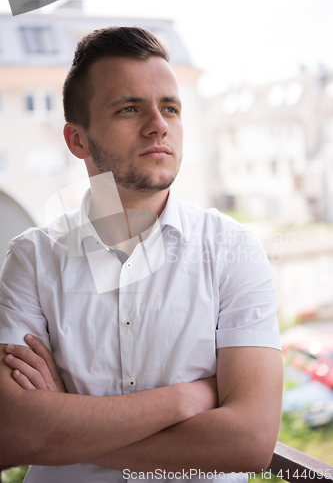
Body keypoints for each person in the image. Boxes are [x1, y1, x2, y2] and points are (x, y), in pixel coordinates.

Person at [0, 27, 283, 483]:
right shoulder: (31, 259)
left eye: (170, 107)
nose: (159, 124)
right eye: (129, 108)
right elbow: (10, 434)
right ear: (76, 140)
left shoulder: (232, 250)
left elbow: (249, 442)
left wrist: (62, 428)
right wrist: (185, 399)